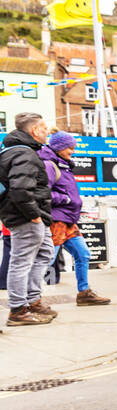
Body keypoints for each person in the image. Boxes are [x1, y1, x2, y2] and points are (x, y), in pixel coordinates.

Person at [41, 131, 110, 305]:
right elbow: (43, 192)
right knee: (47, 259)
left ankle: (84, 293)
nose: (73, 150)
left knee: (83, 254)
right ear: (59, 147)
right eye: (70, 147)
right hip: (57, 220)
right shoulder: (49, 165)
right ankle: (32, 298)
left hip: (68, 220)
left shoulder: (63, 164)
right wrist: (65, 199)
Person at [1, 112, 57, 326]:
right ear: (34, 130)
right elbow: (20, 189)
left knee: (45, 253)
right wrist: (33, 216)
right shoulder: (24, 154)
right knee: (21, 261)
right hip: (27, 217)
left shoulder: (20, 151)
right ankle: (17, 310)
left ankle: (33, 300)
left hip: (33, 216)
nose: (47, 133)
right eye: (44, 129)